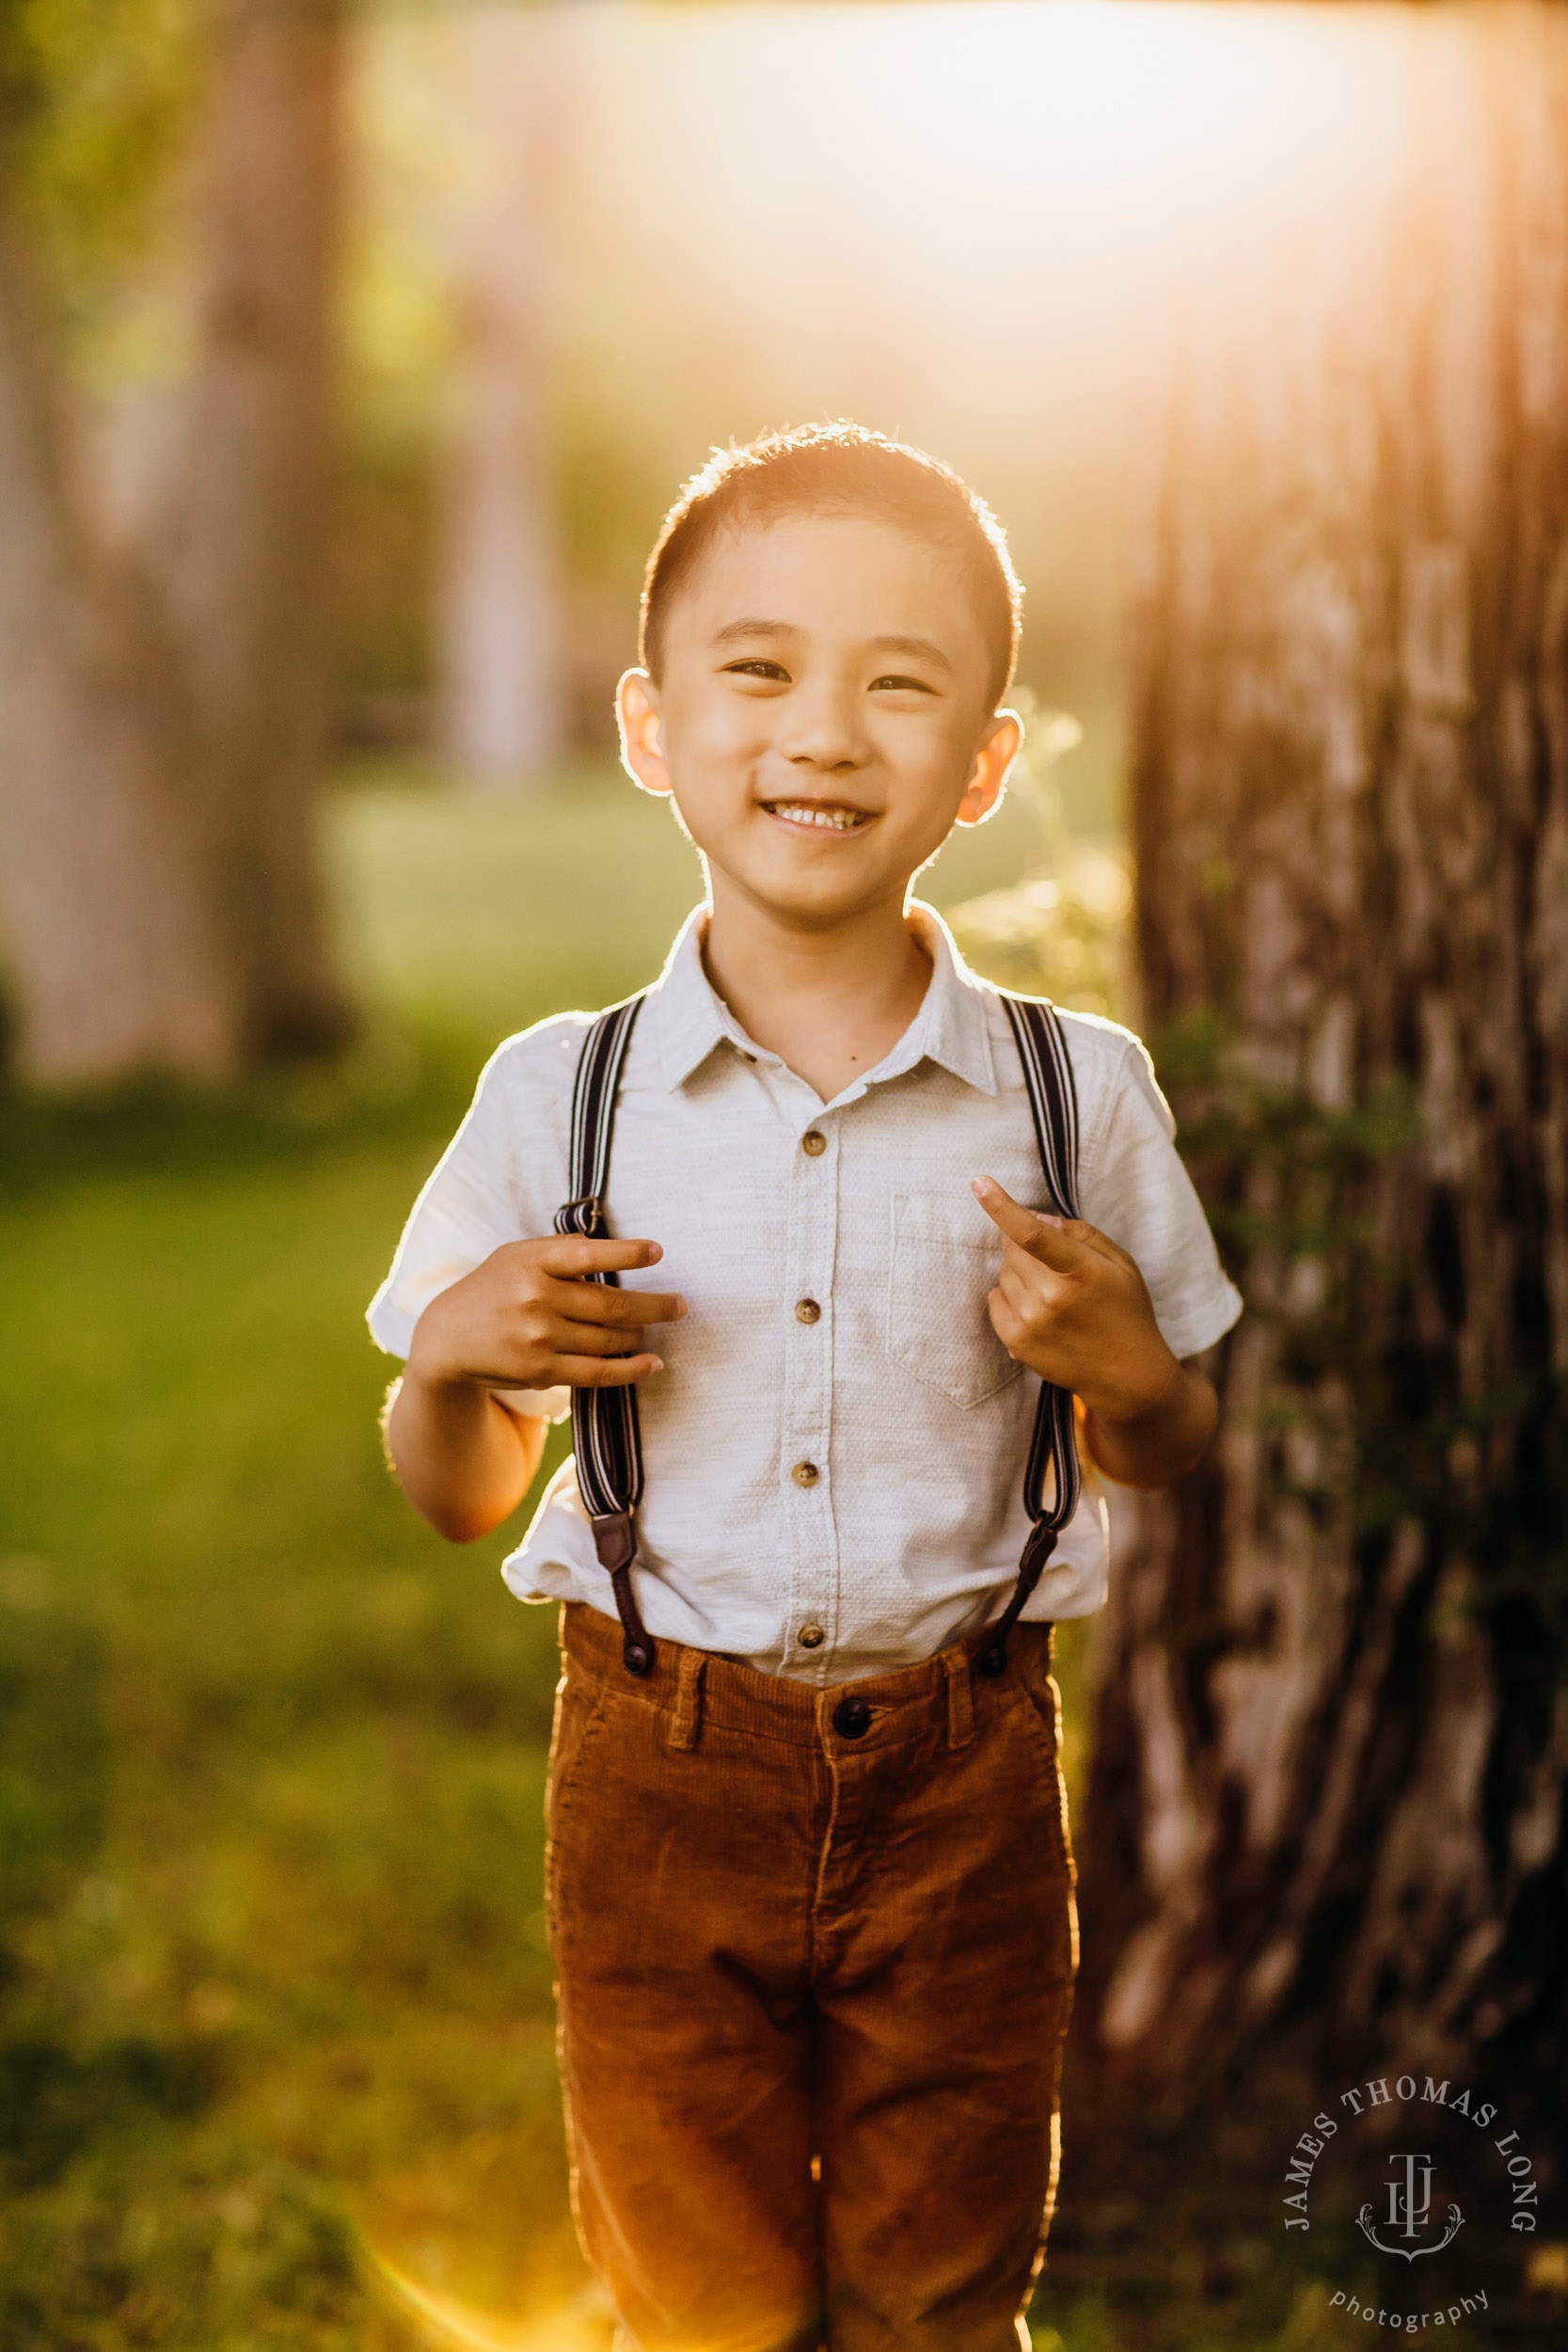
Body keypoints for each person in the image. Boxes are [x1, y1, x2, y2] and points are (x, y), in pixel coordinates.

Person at [368, 422, 1242, 2352]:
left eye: (898, 682)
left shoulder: (1071, 1090)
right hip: (659, 1776)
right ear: (651, 726)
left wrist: (1134, 1376)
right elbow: (454, 1485)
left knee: (944, 2277)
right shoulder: (559, 1095)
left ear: (984, 764)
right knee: (700, 2288)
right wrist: (452, 1355)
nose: (825, 732)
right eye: (757, 669)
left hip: (971, 1775)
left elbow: (1168, 1441)